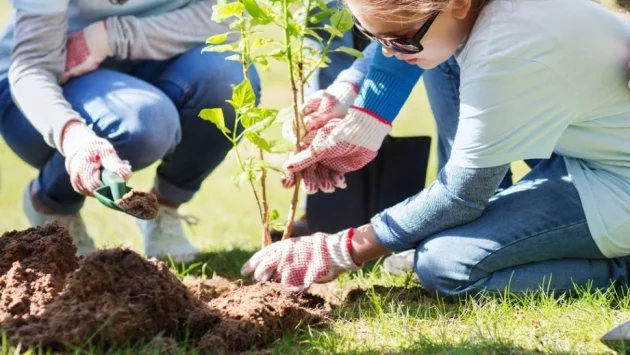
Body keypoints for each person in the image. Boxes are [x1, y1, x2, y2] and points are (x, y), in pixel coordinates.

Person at [242, 0, 630, 297]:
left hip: (616, 180)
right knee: (435, 56)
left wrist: (342, 249)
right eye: (372, 37)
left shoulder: (505, 49)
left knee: (445, 266)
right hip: (584, 152)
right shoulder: (472, 15)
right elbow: (409, 25)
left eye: (400, 42)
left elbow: (461, 196)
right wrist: (350, 92)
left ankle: (623, 271)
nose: (391, 53)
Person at [0, 0, 260, 261]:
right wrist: (74, 135)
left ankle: (163, 209)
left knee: (231, 82)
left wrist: (111, 37)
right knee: (144, 123)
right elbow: (32, 67)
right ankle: (51, 203)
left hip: (158, 55)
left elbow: (229, 14)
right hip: (45, 78)